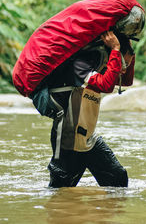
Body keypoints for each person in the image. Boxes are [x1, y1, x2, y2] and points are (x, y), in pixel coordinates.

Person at [46, 31, 135, 188]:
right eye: (124, 64)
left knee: (117, 179)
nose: (124, 69)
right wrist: (116, 49)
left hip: (87, 136)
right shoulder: (81, 64)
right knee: (61, 188)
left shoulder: (102, 65)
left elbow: (126, 81)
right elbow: (106, 85)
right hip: (69, 135)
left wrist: (126, 49)